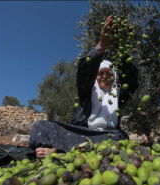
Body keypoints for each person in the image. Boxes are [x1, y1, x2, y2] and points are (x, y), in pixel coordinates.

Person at [29, 16, 139, 158]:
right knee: (42, 126)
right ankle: (70, 151)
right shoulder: (87, 89)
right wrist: (101, 47)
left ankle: (61, 152)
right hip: (80, 133)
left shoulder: (118, 94)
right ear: (95, 76)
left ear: (115, 77)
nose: (105, 76)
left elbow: (131, 81)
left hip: (107, 135)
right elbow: (84, 72)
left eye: (109, 74)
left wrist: (124, 53)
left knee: (121, 136)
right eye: (100, 73)